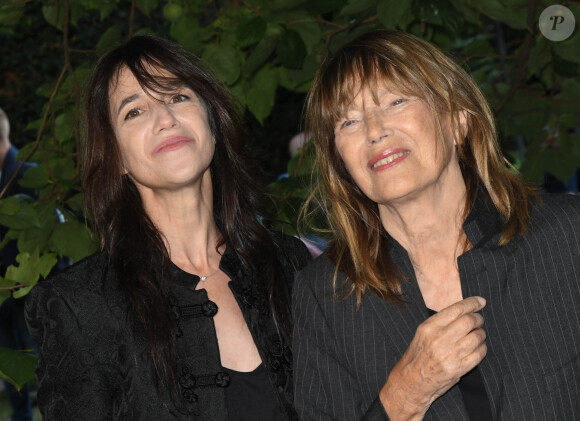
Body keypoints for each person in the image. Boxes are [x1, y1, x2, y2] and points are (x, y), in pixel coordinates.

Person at [293, 29, 580, 420]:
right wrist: (403, 395)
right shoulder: (326, 296)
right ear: (340, 164)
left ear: (458, 121)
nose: (375, 131)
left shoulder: (566, 235)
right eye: (348, 122)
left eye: (395, 101)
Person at [25, 34, 311, 420]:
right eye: (134, 111)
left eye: (177, 97)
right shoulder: (80, 308)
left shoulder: (289, 265)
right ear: (116, 158)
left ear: (212, 121)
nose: (165, 118)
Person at [0, 107, 37, 421]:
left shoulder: (31, 174)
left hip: (33, 291)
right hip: (2, 296)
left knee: (48, 360)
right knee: (11, 364)